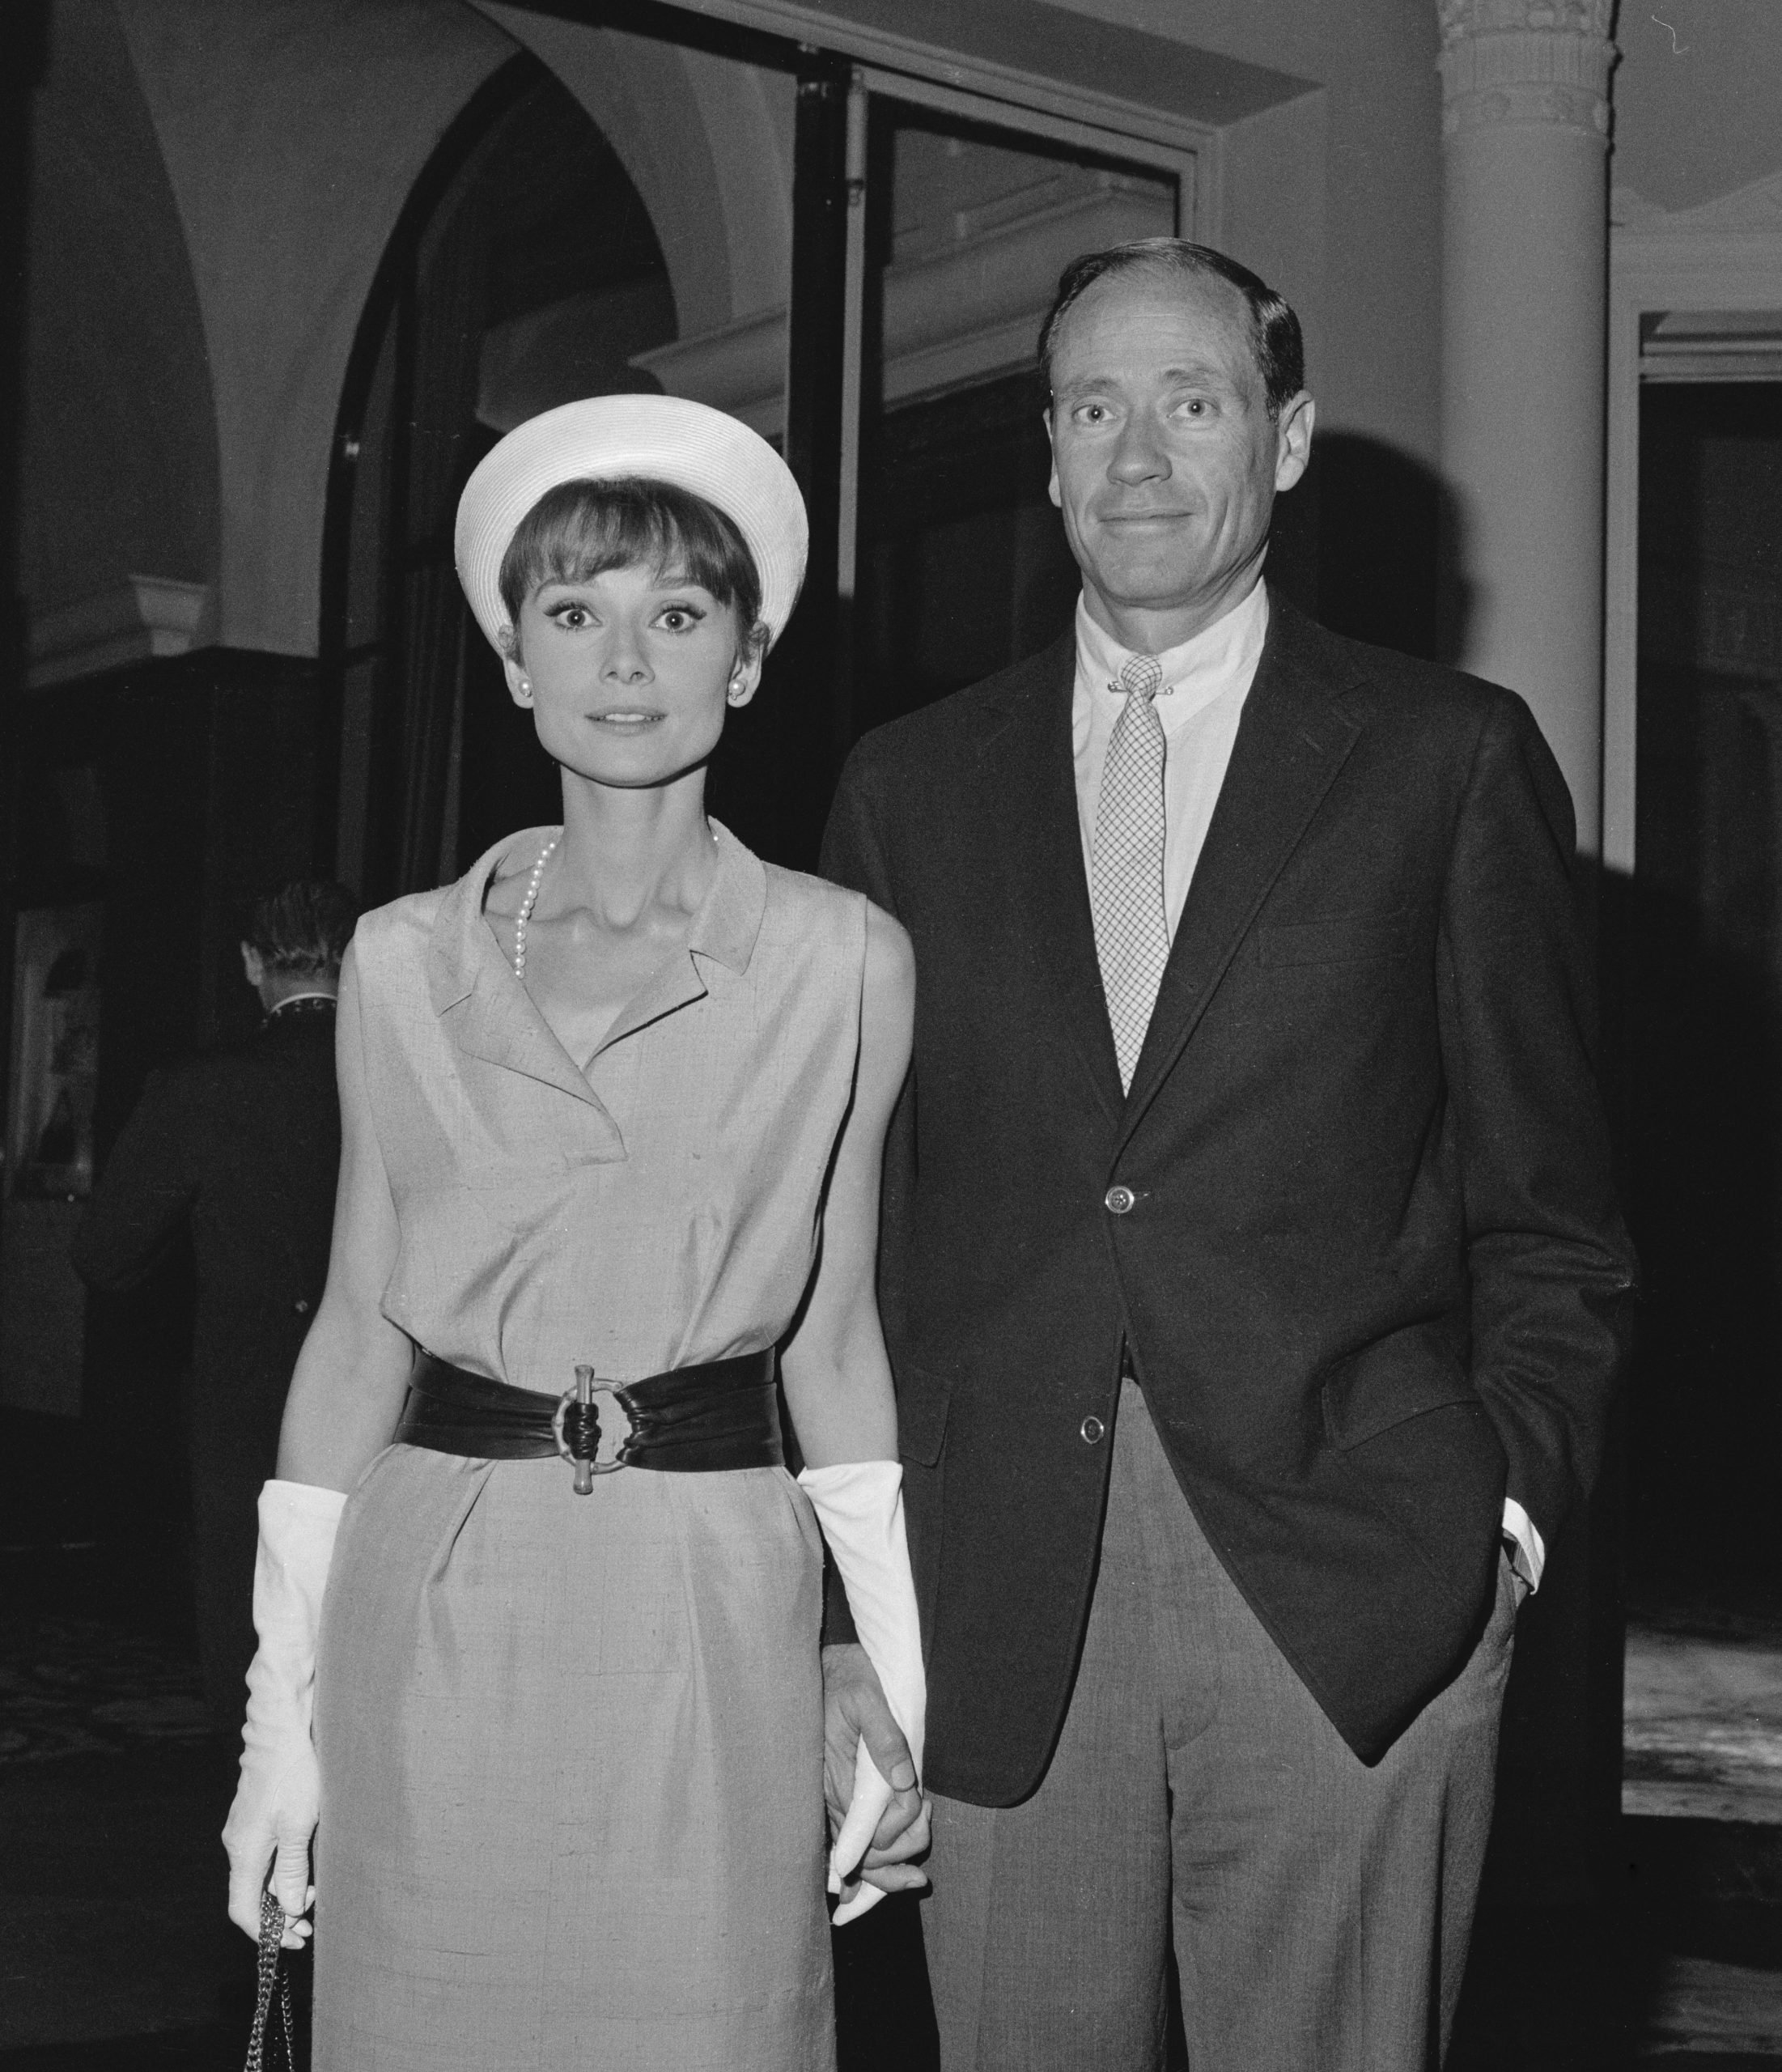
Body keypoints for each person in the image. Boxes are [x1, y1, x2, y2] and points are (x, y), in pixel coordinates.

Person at [819, 238, 1638, 2071]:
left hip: (1351, 1592)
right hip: (993, 1597)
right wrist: (840, 1599)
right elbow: (850, 1236)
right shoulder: (907, 787)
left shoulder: (1444, 759)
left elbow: (1556, 1224)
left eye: (1188, 401)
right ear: (1042, 452)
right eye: (1092, 406)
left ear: (1281, 442)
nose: (1134, 453)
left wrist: (1490, 1530)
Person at [219, 394, 926, 2072]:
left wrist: (896, 1684)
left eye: (678, 613)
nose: (627, 659)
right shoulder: (400, 960)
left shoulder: (846, 960)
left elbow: (836, 1341)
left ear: (745, 661)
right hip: (438, 1591)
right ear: (516, 659)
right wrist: (278, 1717)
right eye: (576, 612)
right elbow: (354, 1338)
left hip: (708, 1597)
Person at [71, 879, 359, 1728]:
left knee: (255, 1658)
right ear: (357, 959)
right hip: (399, 1410)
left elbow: (106, 1257)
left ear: (249, 963)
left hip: (249, 1401)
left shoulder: (205, 1088)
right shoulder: (410, 1075)